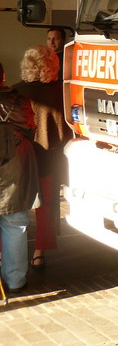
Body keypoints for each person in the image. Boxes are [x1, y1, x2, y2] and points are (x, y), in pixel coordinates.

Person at [15, 45, 67, 273]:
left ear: (28, 66)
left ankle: (9, 255)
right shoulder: (62, 92)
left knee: (14, 209)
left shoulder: (17, 92)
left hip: (22, 158)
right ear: (52, 65)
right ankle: (39, 254)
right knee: (46, 208)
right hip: (50, 159)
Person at [0, 61, 39, 294]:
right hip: (15, 168)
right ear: (3, 76)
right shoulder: (21, 100)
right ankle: (15, 280)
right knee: (15, 224)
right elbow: (30, 128)